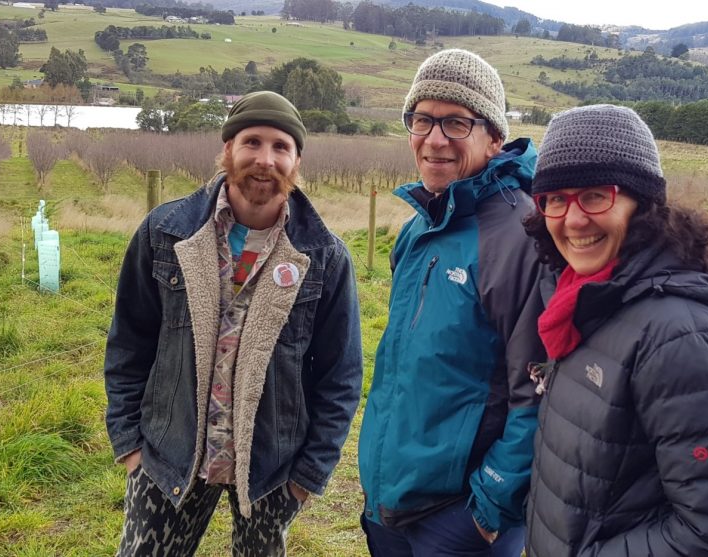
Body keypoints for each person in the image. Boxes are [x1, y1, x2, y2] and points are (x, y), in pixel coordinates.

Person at [104, 91, 363, 556]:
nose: (265, 160)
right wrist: (130, 445)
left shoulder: (324, 257)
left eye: (281, 147)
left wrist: (307, 476)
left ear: (297, 159)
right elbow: (129, 342)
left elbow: (340, 375)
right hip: (170, 453)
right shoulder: (166, 233)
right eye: (252, 142)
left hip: (272, 468)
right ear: (228, 149)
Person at [522, 104, 708, 556]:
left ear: (644, 205)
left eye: (596, 194)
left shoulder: (682, 336)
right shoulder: (589, 300)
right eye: (555, 198)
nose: (573, 219)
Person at [358, 48, 546, 556]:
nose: (435, 139)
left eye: (456, 122)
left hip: (461, 520)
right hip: (392, 502)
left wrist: (490, 507)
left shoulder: (520, 236)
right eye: (423, 120)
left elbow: (539, 391)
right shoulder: (417, 228)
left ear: (495, 137)